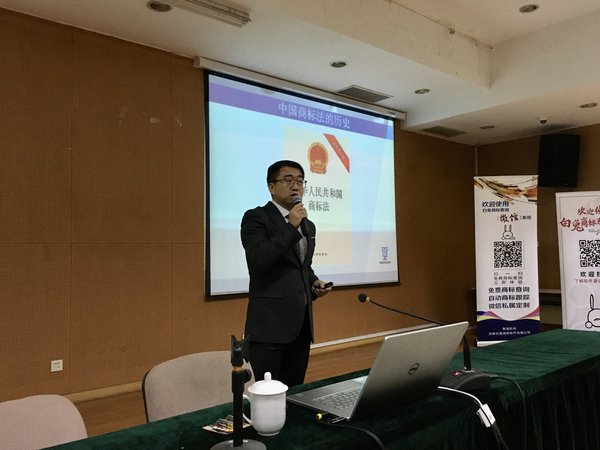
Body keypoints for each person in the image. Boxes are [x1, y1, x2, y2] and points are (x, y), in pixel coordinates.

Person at [241, 160, 331, 387]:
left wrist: (314, 282)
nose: (296, 186)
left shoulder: (308, 225)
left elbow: (302, 266)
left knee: (294, 393)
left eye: (300, 181)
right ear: (271, 186)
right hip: (269, 328)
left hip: (300, 327)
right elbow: (259, 259)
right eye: (288, 180)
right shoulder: (256, 218)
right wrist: (290, 226)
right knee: (266, 394)